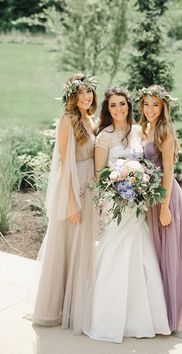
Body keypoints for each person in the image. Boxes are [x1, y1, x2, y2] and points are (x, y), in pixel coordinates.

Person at [85, 87, 170, 343]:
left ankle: (142, 317)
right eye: (113, 105)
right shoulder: (104, 137)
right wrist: (119, 182)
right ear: (107, 109)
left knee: (140, 253)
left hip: (138, 205)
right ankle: (108, 317)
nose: (119, 109)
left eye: (122, 104)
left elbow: (147, 164)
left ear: (129, 106)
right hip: (117, 204)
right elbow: (99, 174)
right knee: (114, 252)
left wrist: (139, 183)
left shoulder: (137, 131)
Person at [32, 73, 98, 333]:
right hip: (73, 191)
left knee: (81, 250)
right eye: (81, 93)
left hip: (88, 189)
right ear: (72, 96)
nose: (86, 97)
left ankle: (75, 307)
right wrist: (71, 203)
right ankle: (54, 309)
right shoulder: (67, 121)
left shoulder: (89, 119)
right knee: (65, 249)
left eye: (89, 92)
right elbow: (62, 165)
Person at [139, 84, 182, 332]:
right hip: (150, 196)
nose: (150, 109)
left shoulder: (165, 130)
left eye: (155, 105)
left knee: (168, 254)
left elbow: (168, 170)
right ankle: (155, 311)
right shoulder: (146, 129)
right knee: (154, 254)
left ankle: (171, 315)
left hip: (165, 195)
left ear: (163, 107)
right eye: (147, 104)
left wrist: (164, 207)